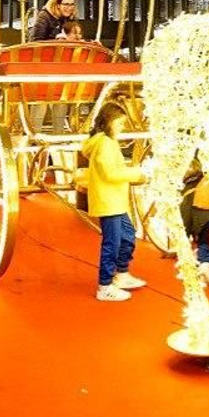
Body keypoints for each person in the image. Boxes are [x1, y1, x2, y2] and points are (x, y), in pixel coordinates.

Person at [79, 101, 147, 301]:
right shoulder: (105, 144)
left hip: (114, 200)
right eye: (119, 123)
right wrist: (138, 173)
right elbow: (110, 173)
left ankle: (121, 274)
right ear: (108, 122)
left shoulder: (106, 142)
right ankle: (104, 285)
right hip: (109, 201)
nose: (122, 127)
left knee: (127, 237)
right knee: (113, 243)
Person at [182, 167, 209, 285]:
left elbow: (186, 210)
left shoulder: (194, 184)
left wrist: (187, 231)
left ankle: (201, 267)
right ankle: (207, 263)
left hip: (199, 212)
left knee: (203, 242)